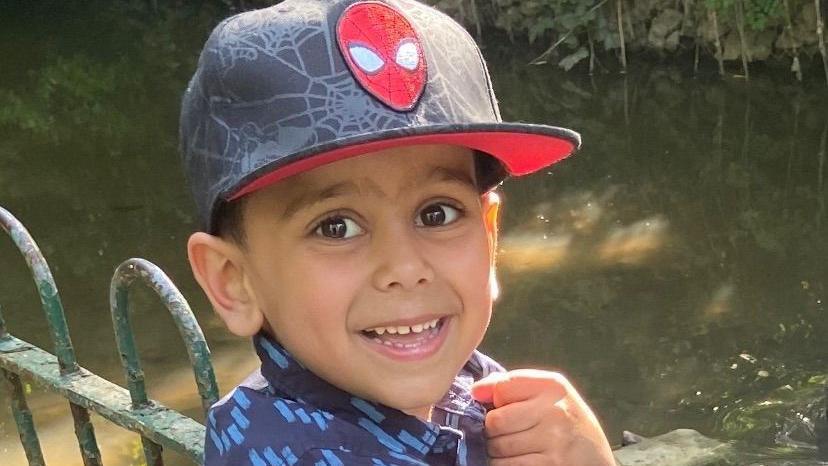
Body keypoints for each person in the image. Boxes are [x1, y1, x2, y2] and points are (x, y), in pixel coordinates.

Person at [179, 0, 616, 464]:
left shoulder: (470, 381)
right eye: (336, 226)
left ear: (490, 239)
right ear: (233, 281)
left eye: (437, 214)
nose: (405, 268)